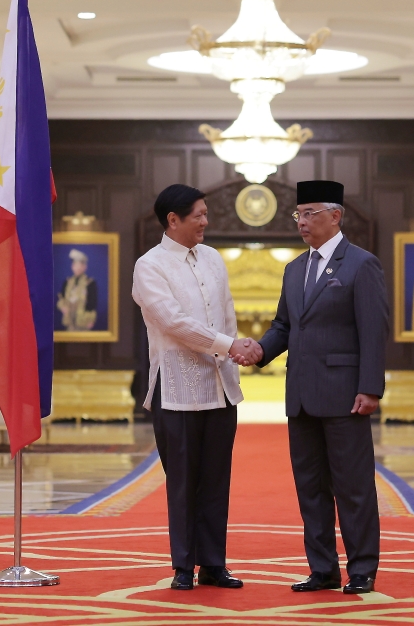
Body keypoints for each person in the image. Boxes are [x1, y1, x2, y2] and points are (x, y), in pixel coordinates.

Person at [234, 180, 389, 595]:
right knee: (311, 489)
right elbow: (285, 325)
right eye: (298, 214)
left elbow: (373, 332)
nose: (301, 222)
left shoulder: (361, 264)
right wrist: (258, 351)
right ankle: (322, 569)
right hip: (301, 396)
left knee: (353, 489)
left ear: (335, 216)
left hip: (345, 396)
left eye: (309, 214)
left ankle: (361, 570)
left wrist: (371, 388)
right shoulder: (294, 269)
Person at [132, 184, 260, 591]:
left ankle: (214, 564)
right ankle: (183, 566)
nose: (206, 221)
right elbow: (172, 322)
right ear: (173, 220)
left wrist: (233, 351)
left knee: (216, 480)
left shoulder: (214, 259)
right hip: (176, 390)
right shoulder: (149, 266)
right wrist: (227, 345)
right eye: (199, 215)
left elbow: (226, 313)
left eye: (205, 213)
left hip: (219, 386)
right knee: (183, 481)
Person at [57, 249, 98, 331]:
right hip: (69, 320)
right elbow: (61, 298)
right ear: (72, 266)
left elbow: (93, 304)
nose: (78, 268)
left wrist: (91, 320)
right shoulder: (67, 282)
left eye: (81, 266)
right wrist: (62, 307)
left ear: (85, 267)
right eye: (76, 265)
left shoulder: (90, 283)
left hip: (83, 321)